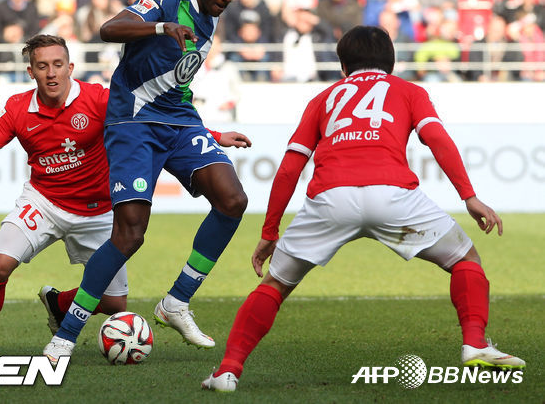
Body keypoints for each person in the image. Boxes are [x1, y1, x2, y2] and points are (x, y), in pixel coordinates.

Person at [201, 25, 526, 392]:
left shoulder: (323, 98)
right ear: (392, 62)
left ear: (343, 66)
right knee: (465, 258)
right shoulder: (409, 91)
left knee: (275, 284)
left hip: (331, 199)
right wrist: (469, 196)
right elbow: (436, 138)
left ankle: (227, 371)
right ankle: (475, 343)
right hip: (393, 195)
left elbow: (290, 167)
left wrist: (269, 232)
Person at [44, 0, 249, 363]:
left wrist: (212, 134)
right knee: (130, 234)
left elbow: (175, 80)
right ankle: (65, 335)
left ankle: (176, 302)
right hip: (134, 121)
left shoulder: (211, 15)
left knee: (232, 200)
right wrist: (159, 27)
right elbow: (108, 29)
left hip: (180, 121)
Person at [0, 34, 130, 358]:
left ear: (70, 67)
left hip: (98, 212)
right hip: (44, 202)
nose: (51, 73)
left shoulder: (98, 99)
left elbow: (153, 124)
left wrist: (210, 135)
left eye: (57, 65)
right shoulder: (18, 108)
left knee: (113, 303)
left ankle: (59, 303)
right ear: (30, 72)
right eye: (42, 66)